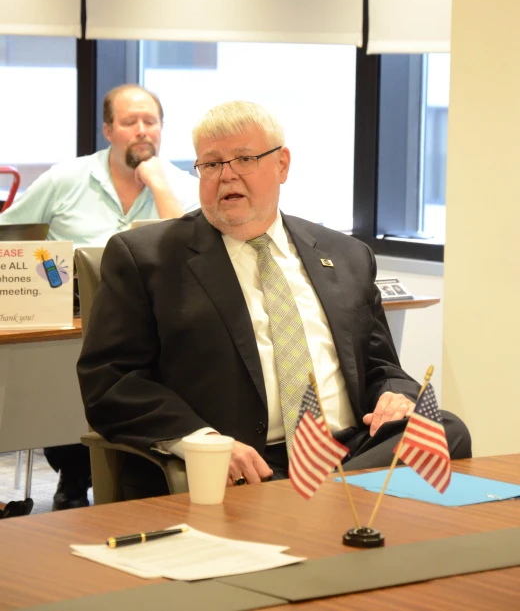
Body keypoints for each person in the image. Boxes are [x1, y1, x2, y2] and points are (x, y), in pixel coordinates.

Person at [77, 100, 471, 500]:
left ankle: (317, 497)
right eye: (211, 164)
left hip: (349, 450)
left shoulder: (347, 254)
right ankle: (325, 501)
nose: (226, 175)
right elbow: (110, 382)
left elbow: (380, 366)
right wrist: (204, 440)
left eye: (243, 159)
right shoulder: (147, 258)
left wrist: (395, 396)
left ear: (282, 165)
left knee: (444, 429)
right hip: (248, 462)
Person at [0, 84, 200, 509]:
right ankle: (74, 476)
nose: (143, 131)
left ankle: (117, 475)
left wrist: (159, 186)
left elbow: (190, 256)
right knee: (64, 384)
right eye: (130, 123)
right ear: (109, 129)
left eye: (152, 122)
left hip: (151, 329)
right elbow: (10, 239)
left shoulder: (179, 186)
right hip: (66, 325)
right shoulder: (65, 180)